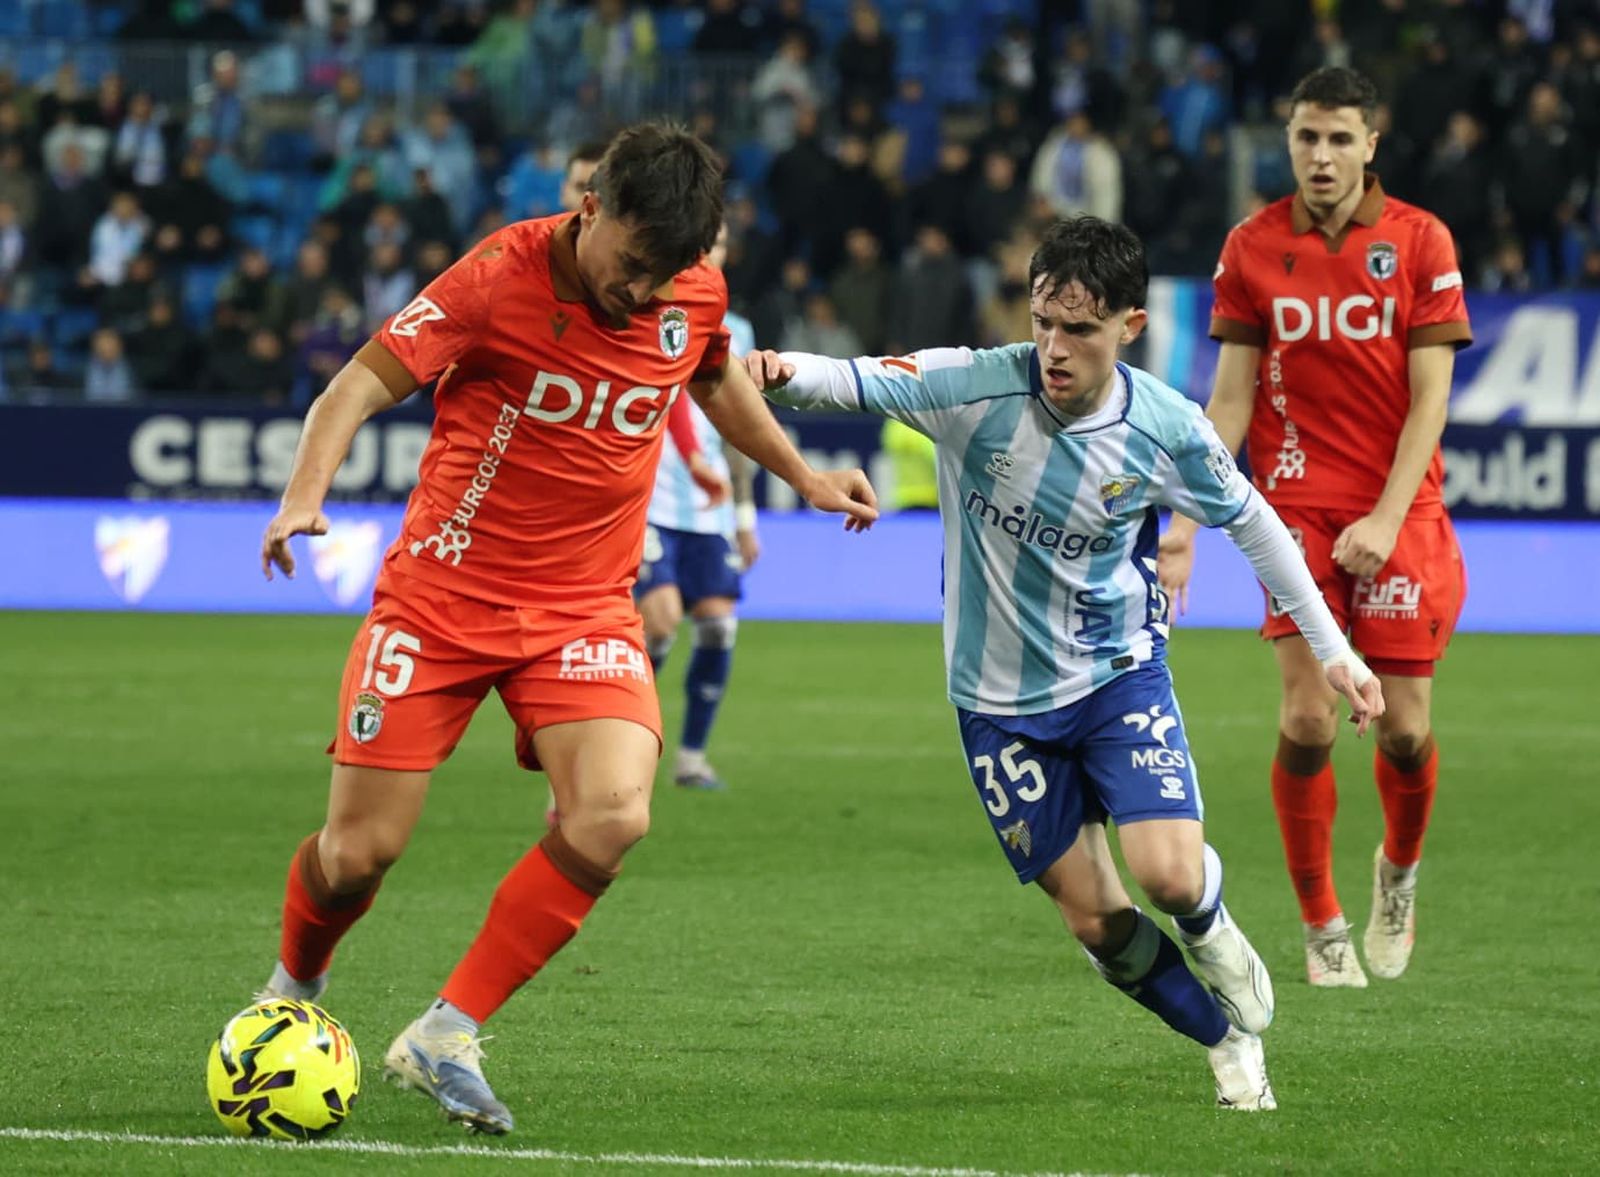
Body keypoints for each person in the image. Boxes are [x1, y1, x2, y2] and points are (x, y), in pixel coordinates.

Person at [255, 122, 877, 1135]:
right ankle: (291, 987)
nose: (643, 294)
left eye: (665, 273)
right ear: (590, 208)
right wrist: (302, 497)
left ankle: (445, 1032)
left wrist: (801, 477)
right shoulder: (497, 275)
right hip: (442, 599)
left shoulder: (690, 290)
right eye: (632, 266)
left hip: (582, 606)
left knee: (615, 813)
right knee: (361, 851)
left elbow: (712, 379)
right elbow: (354, 386)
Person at [744, 215, 1385, 1111]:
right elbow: (847, 381)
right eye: (1043, 319)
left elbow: (1254, 524)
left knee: (1168, 874)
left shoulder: (1164, 427)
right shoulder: (975, 385)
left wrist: (1336, 653)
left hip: (1115, 674)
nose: (1053, 345)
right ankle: (1223, 1039)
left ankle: (1208, 920)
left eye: (1079, 328)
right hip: (996, 703)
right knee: (1100, 924)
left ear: (1130, 325)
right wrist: (776, 370)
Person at [1158, 67, 1470, 989]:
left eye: (1340, 139)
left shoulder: (1419, 241)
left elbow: (1431, 401)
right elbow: (1229, 404)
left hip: (1400, 509)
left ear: (1371, 143)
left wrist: (1383, 514)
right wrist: (1182, 523)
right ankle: (1319, 920)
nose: (1321, 156)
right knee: (1306, 713)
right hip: (1291, 507)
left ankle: (1397, 873)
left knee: (1407, 733)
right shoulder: (1252, 247)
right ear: (1286, 142)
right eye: (1306, 138)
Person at [635, 221, 760, 791]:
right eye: (706, 245)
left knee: (716, 627)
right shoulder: (654, 311)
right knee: (658, 623)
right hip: (652, 501)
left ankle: (690, 759)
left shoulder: (737, 330)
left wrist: (743, 516)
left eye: (724, 246)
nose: (715, 255)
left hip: (709, 510)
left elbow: (741, 431)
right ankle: (622, 748)